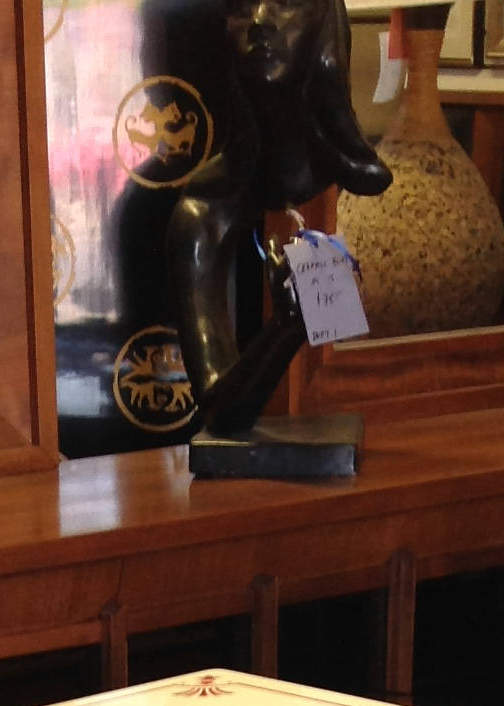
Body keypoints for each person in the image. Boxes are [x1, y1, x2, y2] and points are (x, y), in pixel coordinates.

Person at [169, 0, 388, 435]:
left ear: (325, 22)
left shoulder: (372, 194)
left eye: (285, 2)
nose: (259, 22)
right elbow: (221, 415)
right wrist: (285, 329)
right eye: (240, 6)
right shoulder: (201, 213)